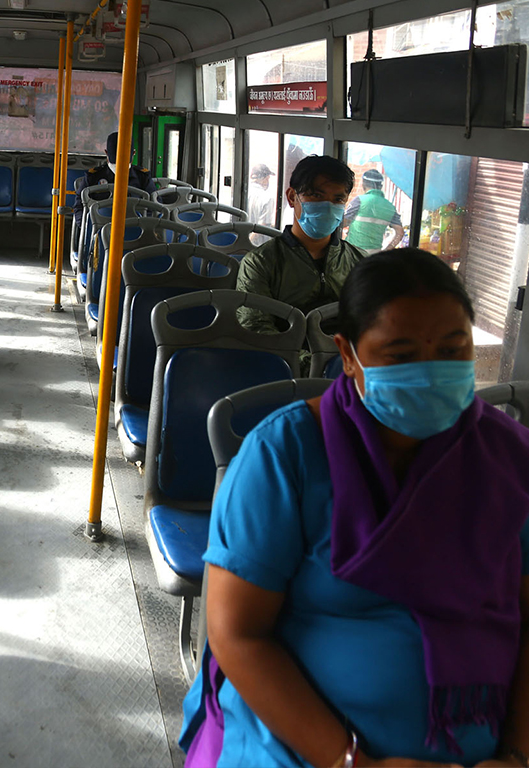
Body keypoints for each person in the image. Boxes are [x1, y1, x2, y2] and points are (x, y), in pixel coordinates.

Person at [181, 248, 529, 767]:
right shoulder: (285, 455)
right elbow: (237, 634)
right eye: (401, 354)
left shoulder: (509, 458)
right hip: (302, 748)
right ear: (348, 355)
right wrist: (352, 763)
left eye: (452, 350)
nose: (430, 372)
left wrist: (518, 755)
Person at [237, 155, 365, 335]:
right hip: (286, 351)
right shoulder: (260, 263)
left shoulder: (360, 262)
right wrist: (308, 355)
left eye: (337, 199)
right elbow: (256, 328)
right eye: (316, 195)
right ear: (292, 197)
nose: (328, 207)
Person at [70, 131, 157, 264]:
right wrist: (90, 230)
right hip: (99, 239)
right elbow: (79, 208)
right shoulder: (94, 177)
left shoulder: (142, 177)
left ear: (106, 153)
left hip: (136, 237)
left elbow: (154, 207)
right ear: (133, 153)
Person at [343, 169, 405, 252]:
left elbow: (343, 223)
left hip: (352, 252)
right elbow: (400, 232)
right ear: (380, 186)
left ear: (363, 184)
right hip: (374, 254)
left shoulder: (359, 201)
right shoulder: (390, 207)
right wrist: (386, 250)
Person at [247, 163, 275, 228]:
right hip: (256, 234)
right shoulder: (268, 198)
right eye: (268, 178)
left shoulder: (243, 193)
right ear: (265, 179)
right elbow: (263, 226)